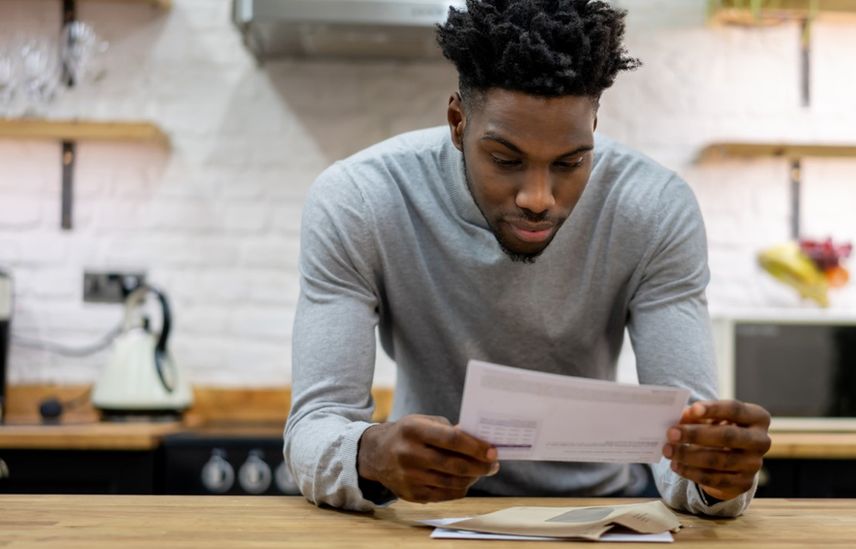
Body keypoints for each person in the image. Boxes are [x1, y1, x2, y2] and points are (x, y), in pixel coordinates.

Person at [285, 0, 771, 517]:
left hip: (602, 512)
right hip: (425, 514)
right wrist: (372, 455)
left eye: (570, 162)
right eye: (505, 159)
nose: (538, 197)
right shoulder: (361, 200)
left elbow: (688, 446)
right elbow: (315, 425)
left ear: (595, 126)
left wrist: (717, 478)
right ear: (457, 123)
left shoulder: (652, 208)